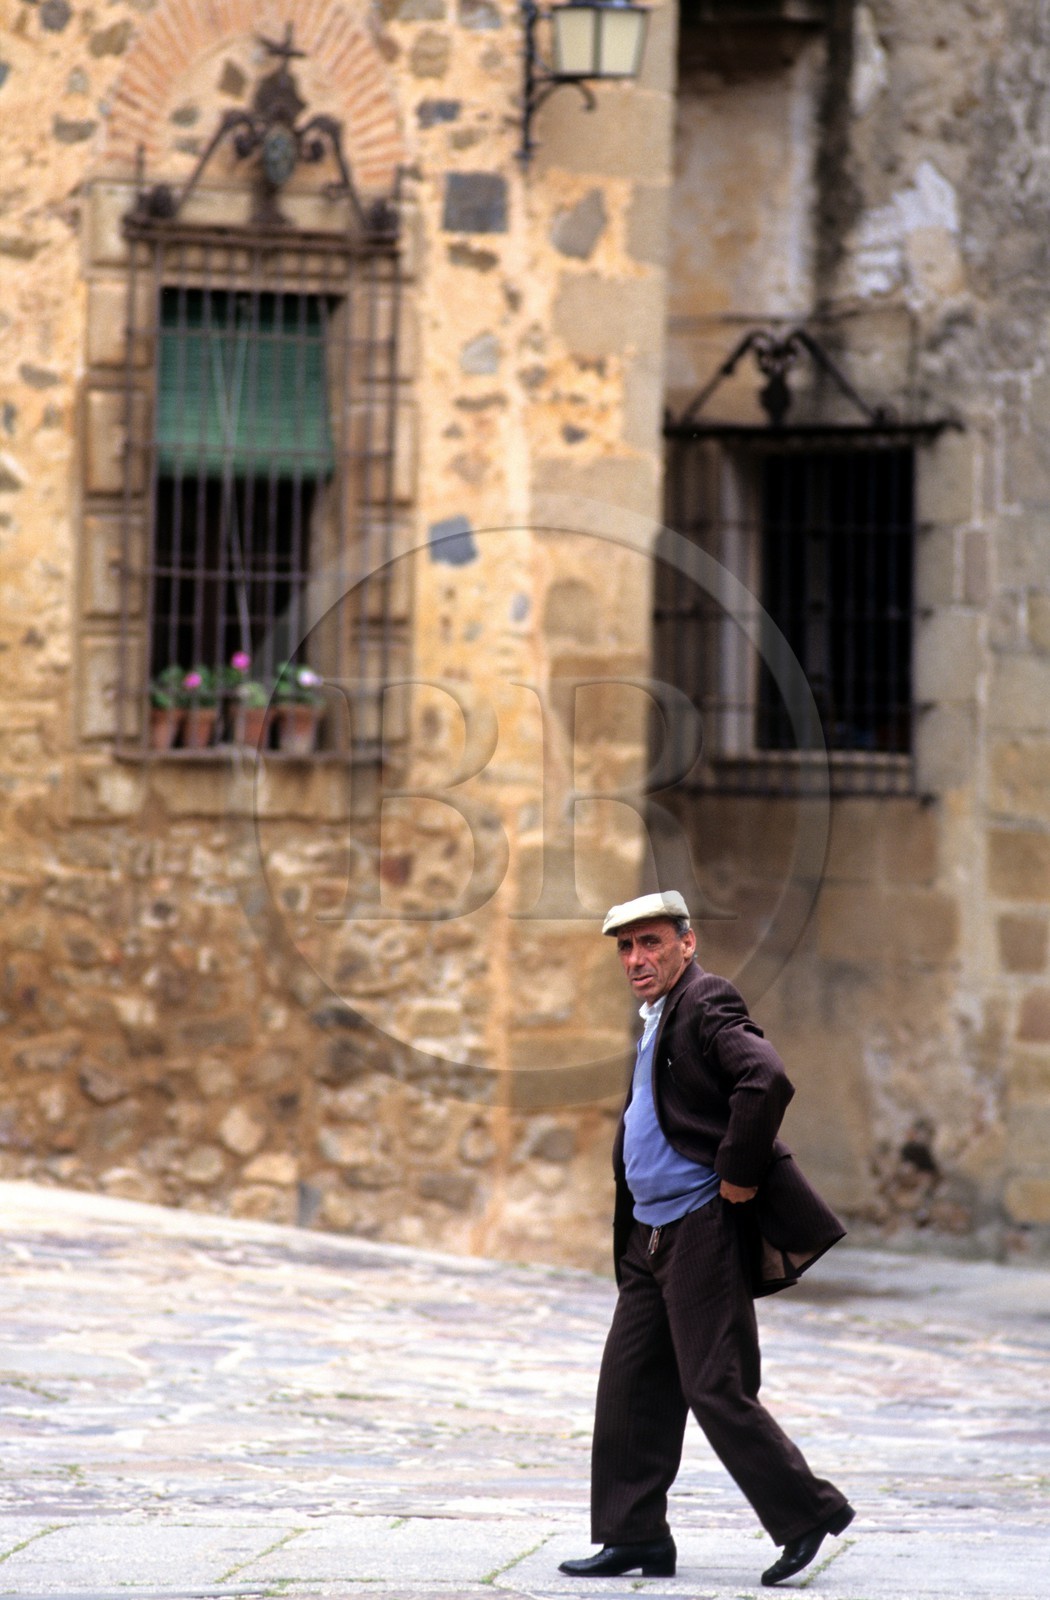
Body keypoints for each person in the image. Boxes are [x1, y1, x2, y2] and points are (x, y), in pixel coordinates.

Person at [559, 890, 854, 1589]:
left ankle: (805, 1514)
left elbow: (767, 1078)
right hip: (648, 1234)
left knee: (714, 1386)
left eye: (651, 943)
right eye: (626, 947)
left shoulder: (707, 999)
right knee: (629, 1386)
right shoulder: (659, 1014)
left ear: (686, 944)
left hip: (699, 1226)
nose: (637, 959)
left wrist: (737, 1176)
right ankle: (636, 1538)